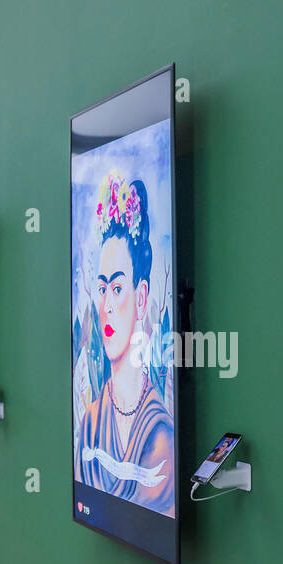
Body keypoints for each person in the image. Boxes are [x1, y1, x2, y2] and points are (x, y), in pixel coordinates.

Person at [76, 173, 175, 516]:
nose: (106, 305)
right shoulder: (89, 422)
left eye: (118, 288)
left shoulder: (159, 433)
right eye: (101, 288)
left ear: (142, 297)